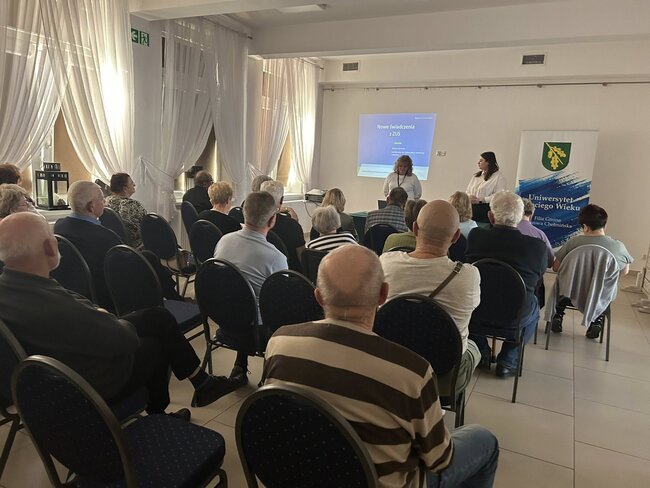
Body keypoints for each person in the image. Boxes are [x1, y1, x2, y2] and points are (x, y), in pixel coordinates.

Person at [263, 245, 499, 488]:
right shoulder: (411, 373)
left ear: (319, 296)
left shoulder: (279, 342)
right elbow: (440, 461)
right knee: (484, 440)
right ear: (383, 295)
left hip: (299, 475)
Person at [0, 213, 234, 417]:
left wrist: (99, 316)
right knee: (155, 345)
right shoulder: (55, 304)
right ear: (49, 247)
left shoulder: (11, 288)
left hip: (47, 378)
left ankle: (202, 382)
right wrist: (104, 316)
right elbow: (125, 340)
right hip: (87, 384)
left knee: (157, 317)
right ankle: (159, 414)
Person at [380, 200, 482, 394]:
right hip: (443, 377)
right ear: (456, 236)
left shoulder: (386, 263)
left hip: (391, 368)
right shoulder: (469, 276)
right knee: (473, 347)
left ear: (415, 228)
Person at [466, 191, 547, 378]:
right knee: (534, 303)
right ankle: (508, 360)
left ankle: (481, 351)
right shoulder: (536, 246)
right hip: (515, 317)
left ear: (490, 216)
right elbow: (538, 277)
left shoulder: (475, 236)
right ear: (521, 217)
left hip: (476, 311)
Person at [213, 191, 288, 387]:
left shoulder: (224, 241)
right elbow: (281, 305)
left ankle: (240, 364)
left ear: (243, 213)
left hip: (223, 322)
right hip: (256, 334)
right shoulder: (275, 258)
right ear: (272, 220)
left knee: (244, 299)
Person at [550, 203, 633, 337]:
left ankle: (558, 314)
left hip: (570, 293)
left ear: (585, 227)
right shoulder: (618, 246)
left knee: (564, 286)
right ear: (605, 225)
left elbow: (556, 268)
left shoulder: (573, 242)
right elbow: (624, 272)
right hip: (600, 296)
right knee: (605, 289)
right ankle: (597, 319)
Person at [260, 180, 305, 272]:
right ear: (281, 200)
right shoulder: (293, 226)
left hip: (262, 270)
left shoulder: (254, 223)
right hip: (291, 273)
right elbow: (303, 257)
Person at [105, 173, 147, 247]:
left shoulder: (106, 201)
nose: (134, 185)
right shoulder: (133, 205)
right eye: (131, 183)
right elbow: (147, 224)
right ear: (125, 188)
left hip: (113, 244)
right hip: (134, 246)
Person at [517, 198, 554, 267]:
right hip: (531, 272)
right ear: (531, 215)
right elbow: (549, 262)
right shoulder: (540, 234)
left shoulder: (505, 230)